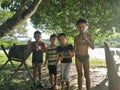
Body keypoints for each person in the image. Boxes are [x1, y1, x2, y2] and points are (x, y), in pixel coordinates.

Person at [74, 18, 94, 90]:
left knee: (87, 74)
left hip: (86, 57)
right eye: (79, 27)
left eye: (83, 27)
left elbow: (92, 47)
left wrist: (86, 38)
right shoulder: (75, 37)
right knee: (79, 74)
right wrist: (71, 52)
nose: (81, 28)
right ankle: (80, 88)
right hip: (78, 57)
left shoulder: (89, 36)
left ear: (86, 26)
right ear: (77, 27)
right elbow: (74, 48)